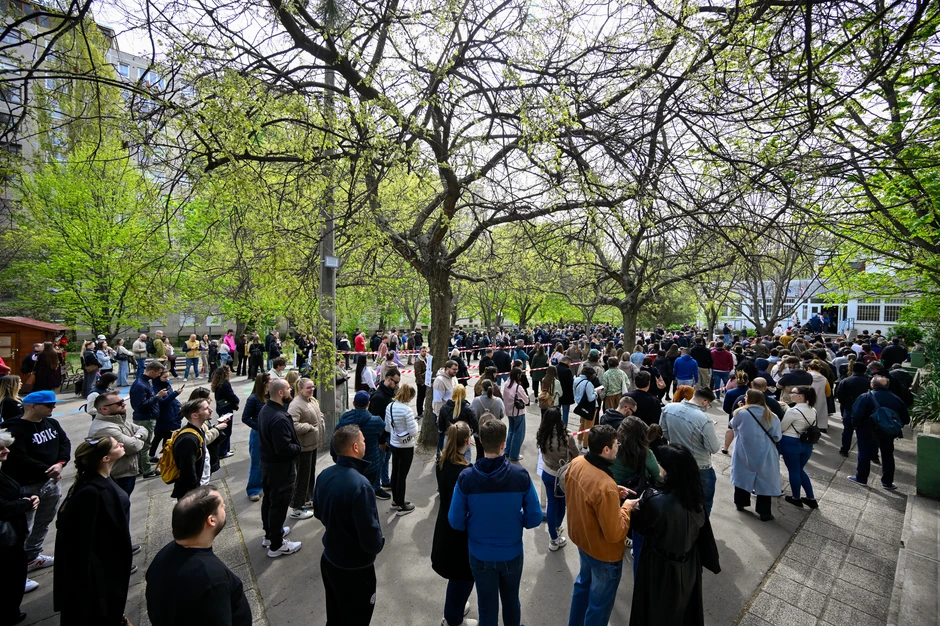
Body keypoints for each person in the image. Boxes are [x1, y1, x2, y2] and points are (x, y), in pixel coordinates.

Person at [448, 419, 541, 626]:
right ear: (503, 444)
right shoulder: (520, 476)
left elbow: (455, 520)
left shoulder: (467, 477)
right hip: (511, 552)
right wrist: (518, 521)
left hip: (480, 555)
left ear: (479, 442)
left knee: (486, 606)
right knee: (511, 601)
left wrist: (472, 524)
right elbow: (534, 517)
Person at [629, 444, 721, 626]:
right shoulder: (695, 499)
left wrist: (632, 508)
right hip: (689, 565)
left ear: (669, 469)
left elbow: (638, 526)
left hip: (659, 567)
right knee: (684, 612)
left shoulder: (656, 502)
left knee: (653, 613)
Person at [53, 437, 133, 625]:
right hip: (100, 576)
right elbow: (81, 545)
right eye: (116, 445)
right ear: (105, 458)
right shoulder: (90, 492)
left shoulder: (101, 479)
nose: (121, 445)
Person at [146, 486, 252, 626]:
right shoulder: (211, 579)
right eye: (221, 505)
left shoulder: (162, 556)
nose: (225, 506)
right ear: (211, 520)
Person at [313, 425, 385, 626]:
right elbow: (371, 539)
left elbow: (318, 512)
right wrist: (379, 542)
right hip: (355, 569)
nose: (365, 443)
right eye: (362, 441)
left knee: (335, 615)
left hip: (329, 559)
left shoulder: (325, 475)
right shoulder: (361, 485)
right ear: (355, 447)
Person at [565, 424, 635, 626]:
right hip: (604, 554)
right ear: (606, 449)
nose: (618, 447)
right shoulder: (605, 486)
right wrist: (627, 508)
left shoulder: (578, 462)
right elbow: (614, 533)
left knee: (582, 586)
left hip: (583, 541)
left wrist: (613, 490)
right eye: (616, 444)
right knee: (598, 606)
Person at [3, 390, 71, 584]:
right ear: (32, 406)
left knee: (43, 522)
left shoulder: (52, 423)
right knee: (23, 529)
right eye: (49, 405)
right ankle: (15, 574)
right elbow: (18, 457)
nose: (53, 408)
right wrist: (48, 469)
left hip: (50, 483)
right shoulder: (13, 428)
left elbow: (64, 443)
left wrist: (60, 464)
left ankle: (32, 557)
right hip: (26, 486)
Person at [433, 422, 478, 626]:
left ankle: (455, 607)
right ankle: (453, 618)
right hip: (460, 530)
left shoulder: (442, 462)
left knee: (456, 575)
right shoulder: (466, 471)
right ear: (467, 441)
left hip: (445, 524)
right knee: (464, 575)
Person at [87, 391, 146, 544]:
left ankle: (124, 543)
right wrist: (137, 439)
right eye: (119, 403)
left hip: (125, 472)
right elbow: (133, 447)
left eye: (123, 401)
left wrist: (137, 436)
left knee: (122, 512)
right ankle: (120, 549)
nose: (124, 404)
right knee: (116, 515)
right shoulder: (104, 428)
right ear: (104, 409)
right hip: (117, 476)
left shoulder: (118, 420)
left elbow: (141, 429)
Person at [258, 378, 303, 556]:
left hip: (268, 465)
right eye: (288, 389)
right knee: (278, 504)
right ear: (280, 393)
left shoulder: (266, 409)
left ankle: (270, 534)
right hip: (280, 469)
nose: (291, 391)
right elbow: (284, 449)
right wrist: (298, 448)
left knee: (269, 500)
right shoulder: (278, 418)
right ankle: (277, 545)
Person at [659, 388, 721, 516]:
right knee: (703, 502)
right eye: (709, 404)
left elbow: (664, 432)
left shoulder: (669, 408)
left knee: (677, 497)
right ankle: (701, 530)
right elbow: (713, 448)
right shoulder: (704, 420)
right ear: (704, 402)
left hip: (675, 461)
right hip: (700, 466)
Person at [0, 427, 40, 623]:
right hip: (6, 540)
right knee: (11, 576)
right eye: (1, 448)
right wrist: (25, 503)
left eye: (6, 447)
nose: (6, 451)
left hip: (12, 535)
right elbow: (2, 507)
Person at [849, 375, 910, 491]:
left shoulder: (865, 397)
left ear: (872, 385)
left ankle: (861, 478)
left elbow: (856, 414)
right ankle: (887, 482)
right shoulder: (896, 399)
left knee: (864, 454)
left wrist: (856, 426)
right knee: (887, 455)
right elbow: (906, 419)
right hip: (887, 432)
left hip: (867, 430)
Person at [729, 390, 782, 521]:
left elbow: (732, 425)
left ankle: (740, 503)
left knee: (742, 476)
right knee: (765, 481)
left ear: (749, 399)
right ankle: (764, 512)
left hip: (743, 450)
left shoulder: (741, 413)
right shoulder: (771, 415)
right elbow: (777, 435)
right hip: (766, 452)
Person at [536, 407, 580, 552]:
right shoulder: (567, 438)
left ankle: (553, 535)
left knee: (551, 504)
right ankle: (555, 532)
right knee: (561, 504)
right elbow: (577, 456)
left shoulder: (542, 434)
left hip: (546, 473)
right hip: (560, 477)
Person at [335, 390, 390, 499]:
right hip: (371, 462)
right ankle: (375, 489)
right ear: (368, 404)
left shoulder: (344, 419)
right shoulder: (376, 421)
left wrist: (336, 456)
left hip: (349, 462)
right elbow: (384, 433)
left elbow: (335, 439)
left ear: (353, 403)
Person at [287, 378, 324, 520]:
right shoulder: (296, 404)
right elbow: (293, 425)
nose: (312, 389)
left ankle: (307, 498)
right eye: (308, 387)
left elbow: (316, 414)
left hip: (312, 445)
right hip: (303, 448)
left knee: (309, 474)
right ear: (301, 389)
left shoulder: (311, 400)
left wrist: (319, 418)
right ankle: (296, 507)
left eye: (313, 387)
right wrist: (310, 427)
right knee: (302, 477)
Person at [169, 399, 218, 500]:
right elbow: (188, 472)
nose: (211, 410)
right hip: (194, 493)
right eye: (206, 408)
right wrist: (197, 494)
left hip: (201, 487)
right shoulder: (188, 440)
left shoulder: (198, 430)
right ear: (194, 415)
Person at [779, 386, 819, 509]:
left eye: (793, 392)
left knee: (794, 471)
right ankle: (810, 498)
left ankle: (796, 498)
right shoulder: (813, 410)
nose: (791, 394)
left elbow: (782, 427)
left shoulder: (792, 411)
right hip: (807, 444)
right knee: (799, 470)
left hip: (791, 442)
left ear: (800, 396)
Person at [130, 360, 169, 479]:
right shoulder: (140, 385)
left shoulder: (145, 382)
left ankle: (143, 467)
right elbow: (140, 405)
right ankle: (147, 470)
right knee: (145, 446)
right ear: (152, 372)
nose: (159, 375)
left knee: (145, 445)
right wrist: (157, 397)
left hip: (149, 417)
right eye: (158, 373)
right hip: (145, 419)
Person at [385, 383, 420, 515]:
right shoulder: (407, 410)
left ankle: (395, 501)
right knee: (402, 476)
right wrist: (416, 425)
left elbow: (387, 427)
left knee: (395, 472)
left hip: (394, 443)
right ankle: (401, 505)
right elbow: (413, 431)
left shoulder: (390, 406)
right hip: (406, 446)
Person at [369, 369, 400, 490]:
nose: (397, 385)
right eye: (396, 382)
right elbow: (377, 420)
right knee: (380, 461)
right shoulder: (379, 397)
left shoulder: (388, 392)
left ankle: (385, 480)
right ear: (388, 379)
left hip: (388, 433)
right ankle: (376, 487)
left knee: (386, 458)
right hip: (382, 435)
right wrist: (381, 440)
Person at [241, 374, 269, 501]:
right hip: (258, 434)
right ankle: (253, 489)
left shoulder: (270, 397)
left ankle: (266, 484)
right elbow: (245, 418)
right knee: (257, 462)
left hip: (270, 434)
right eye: (270, 381)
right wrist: (259, 427)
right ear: (264, 383)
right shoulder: (253, 399)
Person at [836, 362, 872, 457]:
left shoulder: (845, 381)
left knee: (847, 430)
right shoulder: (869, 381)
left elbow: (840, 396)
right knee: (863, 432)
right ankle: (865, 452)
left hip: (849, 408)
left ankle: (844, 449)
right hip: (865, 410)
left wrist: (845, 405)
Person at [502, 367, 530, 462]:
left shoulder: (506, 384)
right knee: (518, 434)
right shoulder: (518, 387)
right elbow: (526, 400)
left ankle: (507, 451)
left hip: (509, 412)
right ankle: (514, 455)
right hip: (518, 412)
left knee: (511, 431)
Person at [212, 366, 240, 459]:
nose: (230, 372)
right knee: (226, 431)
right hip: (226, 409)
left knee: (225, 430)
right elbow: (231, 395)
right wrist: (237, 400)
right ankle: (223, 451)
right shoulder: (225, 384)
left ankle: (225, 450)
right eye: (229, 371)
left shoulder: (218, 383)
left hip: (220, 407)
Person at [433, 361, 459, 456]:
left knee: (451, 436)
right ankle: (439, 456)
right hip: (442, 414)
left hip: (453, 412)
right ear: (447, 369)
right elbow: (437, 401)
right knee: (442, 436)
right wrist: (439, 416)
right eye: (454, 369)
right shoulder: (439, 381)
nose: (456, 371)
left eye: (457, 369)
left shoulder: (454, 378)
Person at [573, 366, 599, 451]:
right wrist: (596, 393)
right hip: (590, 407)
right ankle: (585, 446)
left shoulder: (576, 380)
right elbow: (591, 398)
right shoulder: (588, 384)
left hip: (581, 405)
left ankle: (579, 442)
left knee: (582, 424)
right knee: (589, 427)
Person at [558, 356, 575, 425]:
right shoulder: (567, 371)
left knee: (557, 411)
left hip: (557, 393)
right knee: (565, 412)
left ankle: (557, 425)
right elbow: (570, 382)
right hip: (566, 394)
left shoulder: (555, 368)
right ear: (566, 362)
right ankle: (564, 427)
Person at [415, 346, 429, 416]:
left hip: (426, 381)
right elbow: (417, 374)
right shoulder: (418, 361)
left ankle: (422, 410)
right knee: (420, 397)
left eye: (425, 351)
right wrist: (422, 383)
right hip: (421, 382)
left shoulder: (426, 359)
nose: (424, 352)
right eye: (423, 351)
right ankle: (419, 412)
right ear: (420, 352)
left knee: (424, 396)